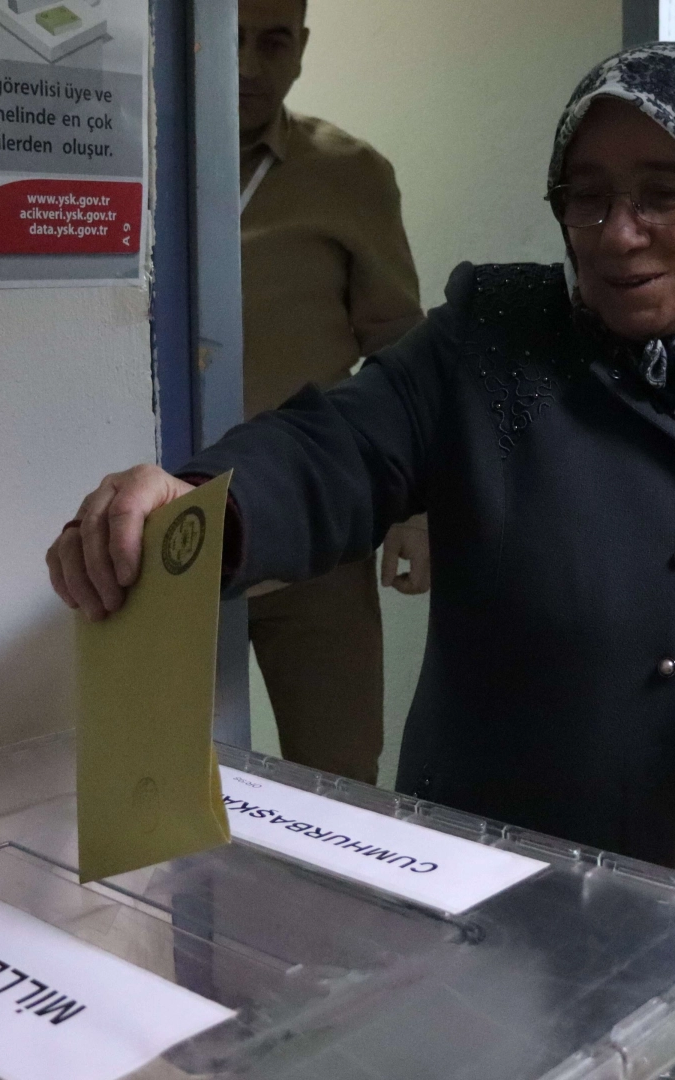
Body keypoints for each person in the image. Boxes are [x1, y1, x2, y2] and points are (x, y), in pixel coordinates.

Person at [48, 43, 675, 1077]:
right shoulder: (490, 343)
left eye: (664, 193)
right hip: (501, 906)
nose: (618, 232)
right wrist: (199, 509)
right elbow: (336, 447)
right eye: (586, 197)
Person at [234, 0, 428, 784]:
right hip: (168, 529)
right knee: (161, 772)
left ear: (302, 47)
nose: (248, 66)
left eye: (273, 41)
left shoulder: (349, 174)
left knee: (339, 771)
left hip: (315, 526)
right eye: (229, 40)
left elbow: (403, 357)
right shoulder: (135, 159)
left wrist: (415, 509)